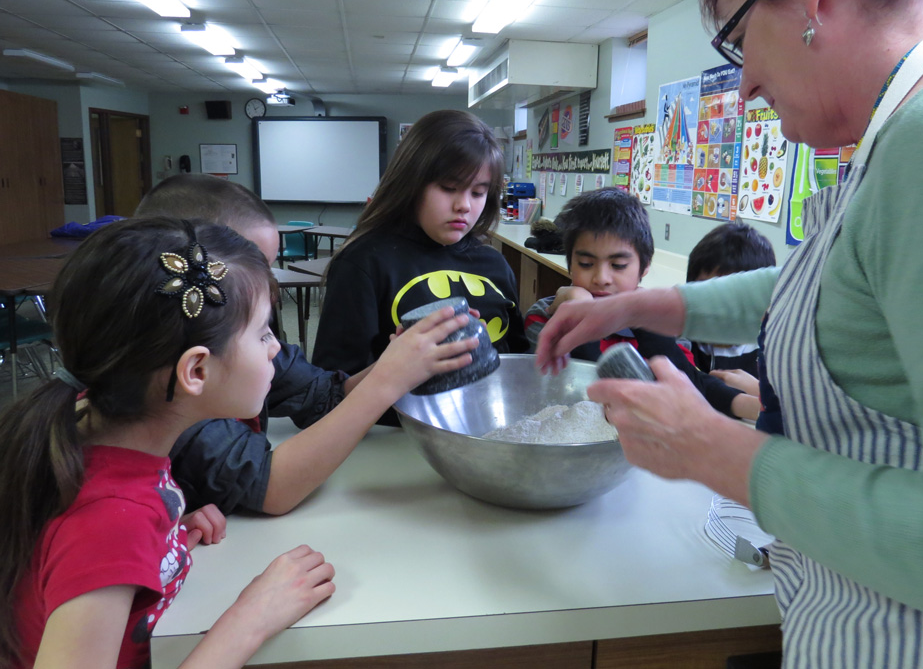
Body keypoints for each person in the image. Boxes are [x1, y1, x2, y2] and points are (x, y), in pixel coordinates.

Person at [536, 0, 923, 665]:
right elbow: (838, 290)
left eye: (739, 39)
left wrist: (716, 452)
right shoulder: (902, 136)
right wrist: (640, 304)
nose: (745, 84)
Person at [0, 218, 337, 668]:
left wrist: (165, 541)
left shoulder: (94, 432)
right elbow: (98, 539)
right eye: (261, 333)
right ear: (195, 371)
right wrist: (251, 618)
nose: (275, 348)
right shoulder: (109, 525)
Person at [135, 174, 480, 516]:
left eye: (266, 270)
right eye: (250, 271)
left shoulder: (251, 346)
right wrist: (388, 380)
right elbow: (268, 487)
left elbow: (324, 395)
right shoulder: (164, 393)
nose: (269, 292)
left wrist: (401, 359)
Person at [312, 109, 528, 423]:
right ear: (411, 183)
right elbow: (331, 386)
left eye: (478, 192)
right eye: (448, 188)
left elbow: (516, 358)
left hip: (485, 430)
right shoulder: (364, 262)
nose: (464, 205)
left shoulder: (493, 262)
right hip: (396, 436)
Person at [524, 188, 758, 421]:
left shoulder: (665, 327)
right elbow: (585, 395)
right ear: (570, 264)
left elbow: (689, 386)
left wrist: (644, 317)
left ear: (644, 268)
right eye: (586, 263)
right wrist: (581, 310)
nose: (601, 277)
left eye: (618, 265)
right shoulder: (546, 319)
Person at [684, 221, 775, 378]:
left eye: (734, 302)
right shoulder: (683, 341)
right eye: (708, 295)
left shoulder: (770, 350)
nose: (717, 312)